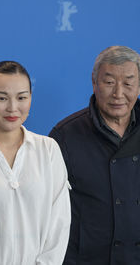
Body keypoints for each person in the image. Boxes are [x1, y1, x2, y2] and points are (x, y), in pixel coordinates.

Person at [0, 61, 71, 265]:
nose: (12, 107)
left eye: (21, 98)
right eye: (1, 98)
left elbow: (59, 222)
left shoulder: (48, 149)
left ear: (30, 99)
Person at [49, 45, 140, 264]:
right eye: (109, 82)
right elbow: (46, 211)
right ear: (94, 82)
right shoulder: (65, 136)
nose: (118, 93)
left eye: (128, 83)